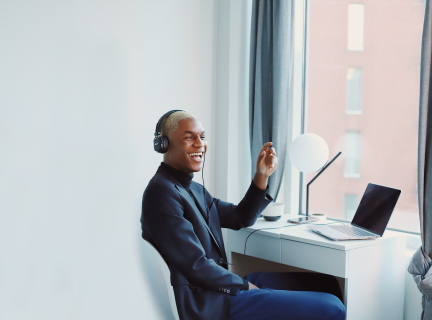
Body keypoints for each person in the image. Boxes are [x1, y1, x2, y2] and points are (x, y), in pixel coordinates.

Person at [141, 110, 346, 320]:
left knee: (327, 283)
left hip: (218, 287)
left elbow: (240, 217)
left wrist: (261, 176)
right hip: (209, 302)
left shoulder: (193, 189)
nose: (200, 144)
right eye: (188, 137)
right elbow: (196, 265)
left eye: (202, 137)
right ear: (164, 145)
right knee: (333, 307)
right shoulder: (162, 192)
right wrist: (246, 286)